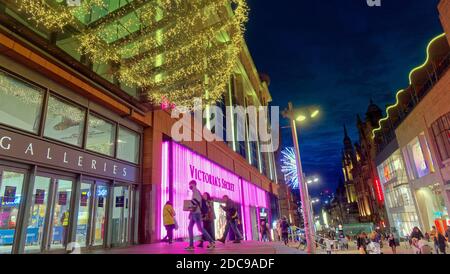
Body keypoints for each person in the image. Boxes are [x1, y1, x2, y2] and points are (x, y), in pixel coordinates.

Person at [185, 180, 215, 250]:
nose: (190, 186)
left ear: (194, 185)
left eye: (191, 185)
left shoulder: (196, 191)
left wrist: (189, 206)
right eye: (189, 185)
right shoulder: (194, 192)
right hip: (194, 213)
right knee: (190, 228)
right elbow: (195, 202)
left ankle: (212, 242)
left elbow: (196, 201)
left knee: (200, 228)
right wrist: (190, 209)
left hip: (196, 213)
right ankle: (191, 245)